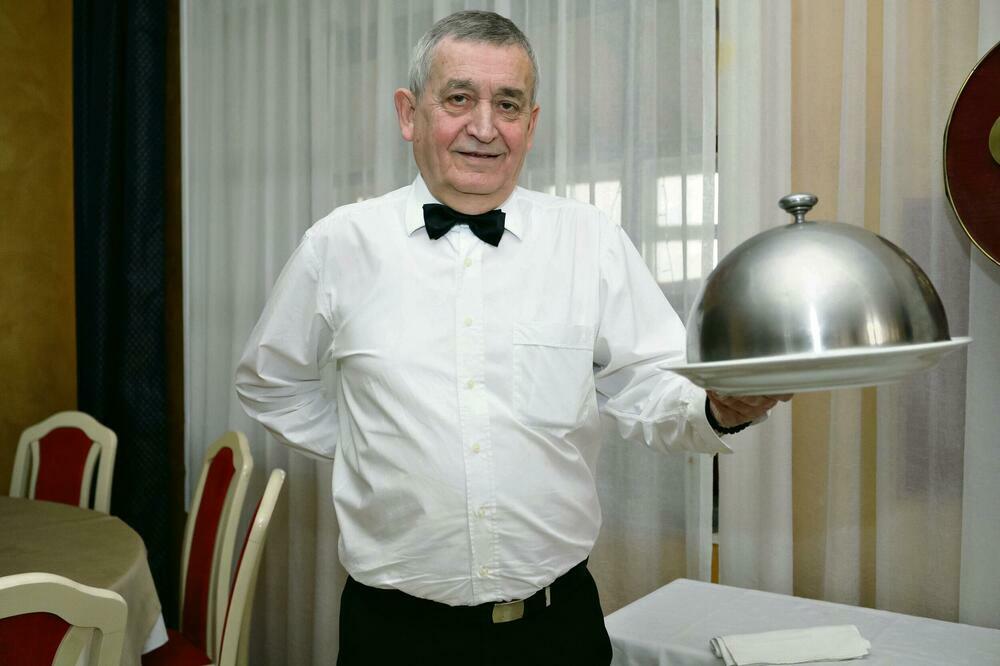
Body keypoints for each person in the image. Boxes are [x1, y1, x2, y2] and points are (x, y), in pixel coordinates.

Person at [236, 10, 788, 666]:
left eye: (508, 104)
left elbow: (650, 384)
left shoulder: (591, 242)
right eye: (459, 99)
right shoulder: (338, 244)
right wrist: (368, 445)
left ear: (532, 122)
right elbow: (270, 382)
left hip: (555, 631)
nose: (484, 127)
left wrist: (720, 406)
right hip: (392, 634)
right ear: (409, 114)